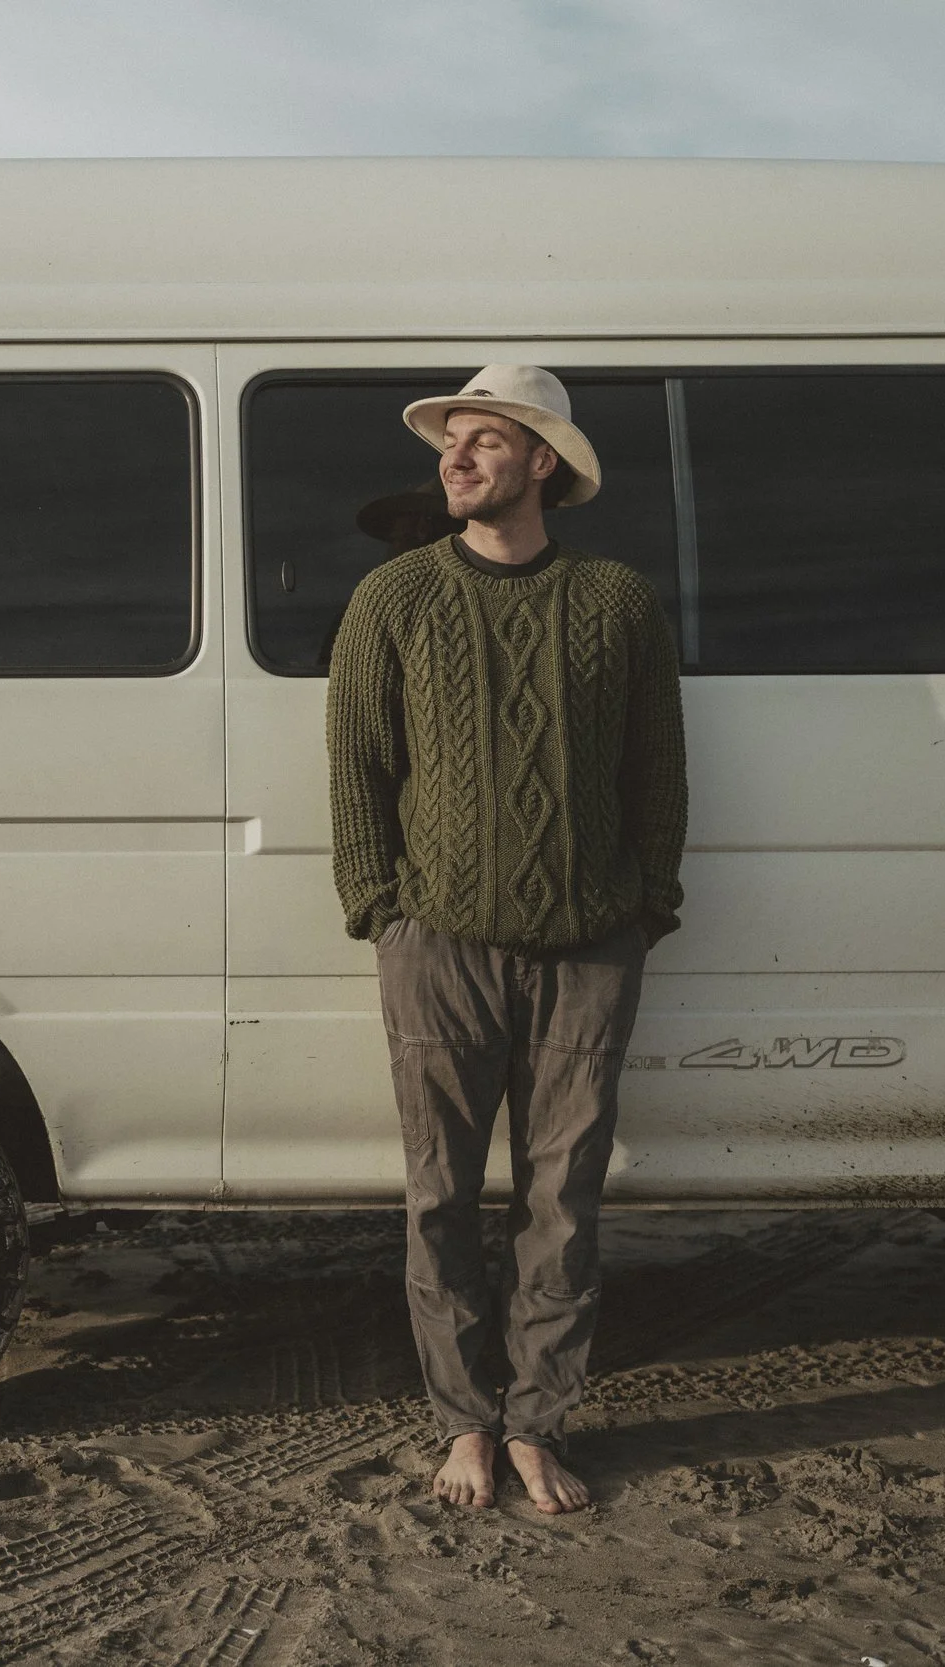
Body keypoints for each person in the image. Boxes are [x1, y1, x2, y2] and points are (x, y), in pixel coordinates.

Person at [325, 365, 687, 1515]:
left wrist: (645, 905)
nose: (457, 458)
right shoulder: (394, 599)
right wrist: (384, 908)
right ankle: (464, 1425)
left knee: (564, 1198)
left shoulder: (616, 601)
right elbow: (358, 770)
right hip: (439, 947)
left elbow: (656, 776)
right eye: (452, 440)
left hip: (590, 948)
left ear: (543, 463)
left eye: (486, 441)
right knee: (439, 1198)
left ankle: (537, 1424)